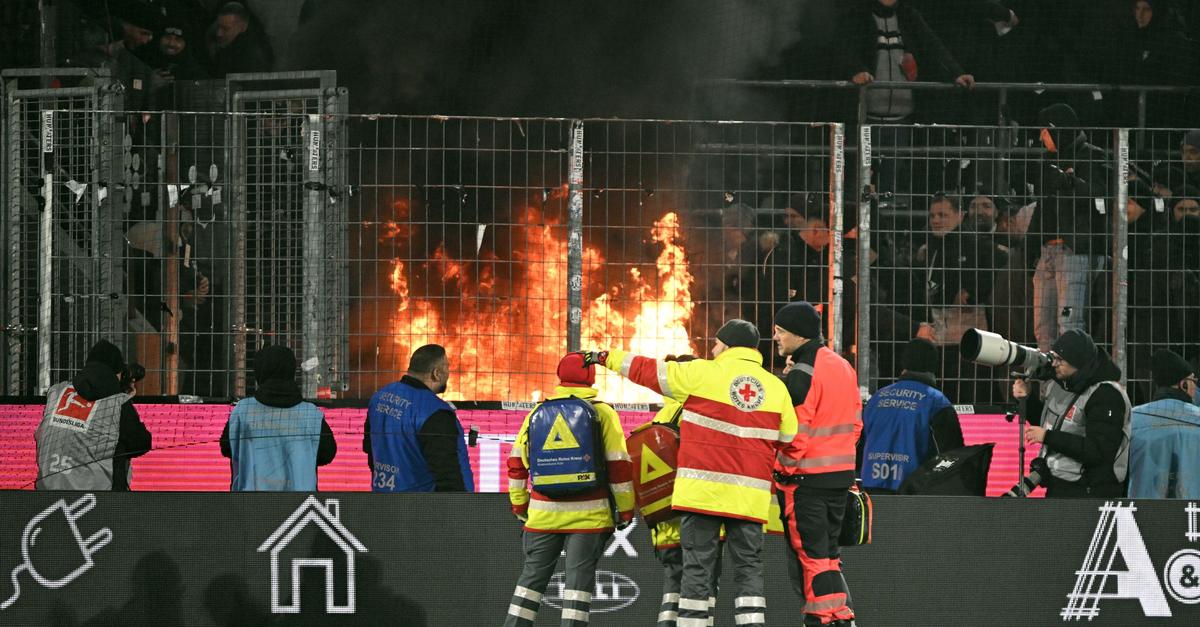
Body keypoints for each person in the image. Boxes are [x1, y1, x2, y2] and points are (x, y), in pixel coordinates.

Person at [586, 319, 798, 627]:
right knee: (749, 569)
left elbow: (647, 370)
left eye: (716, 344)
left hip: (702, 496)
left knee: (697, 568)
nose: (713, 349)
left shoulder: (701, 374)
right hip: (749, 500)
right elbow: (789, 439)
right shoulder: (776, 387)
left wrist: (605, 357)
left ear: (727, 345)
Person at [503, 353, 635, 627]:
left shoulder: (537, 412)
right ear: (591, 378)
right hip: (589, 518)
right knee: (577, 588)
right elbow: (618, 467)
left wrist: (520, 505)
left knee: (529, 584)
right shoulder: (603, 413)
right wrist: (625, 510)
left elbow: (516, 463)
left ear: (560, 377)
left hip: (542, 517)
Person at [771, 302, 860, 627]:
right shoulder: (842, 366)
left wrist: (781, 471)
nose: (775, 337)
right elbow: (856, 425)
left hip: (806, 482)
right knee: (829, 557)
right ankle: (841, 617)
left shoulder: (803, 373)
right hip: (839, 479)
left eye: (780, 331)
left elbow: (795, 434)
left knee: (812, 558)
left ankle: (821, 619)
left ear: (798, 334)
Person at [1011, 330, 1131, 497]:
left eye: (1060, 360)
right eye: (1053, 358)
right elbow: (1049, 424)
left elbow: (1097, 451)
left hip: (1091, 492)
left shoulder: (1107, 395)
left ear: (1078, 361)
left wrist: (1047, 436)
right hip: (1060, 485)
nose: (1054, 364)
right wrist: (1027, 399)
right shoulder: (1062, 384)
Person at [35, 340, 152, 490]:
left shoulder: (56, 391)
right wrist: (126, 400)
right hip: (95, 498)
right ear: (116, 373)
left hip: (45, 491)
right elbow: (141, 443)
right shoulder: (118, 402)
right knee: (120, 444)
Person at [219, 345, 336, 491]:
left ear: (260, 372)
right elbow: (327, 454)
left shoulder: (243, 411)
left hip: (251, 501)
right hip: (299, 501)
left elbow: (226, 448)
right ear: (291, 371)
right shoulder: (310, 414)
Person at [362, 344, 474, 492]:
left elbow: (370, 449)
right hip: (421, 504)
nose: (448, 373)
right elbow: (449, 476)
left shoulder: (379, 397)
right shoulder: (435, 411)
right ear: (436, 373)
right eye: (447, 367)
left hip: (383, 499)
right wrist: (461, 504)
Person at [860, 338, 963, 494]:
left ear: (904, 363)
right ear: (934, 365)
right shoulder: (936, 402)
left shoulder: (876, 399)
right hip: (914, 494)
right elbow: (952, 456)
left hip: (871, 489)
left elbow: (860, 443)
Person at [1127, 350, 1200, 498]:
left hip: (1143, 507)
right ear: (1184, 384)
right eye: (1193, 381)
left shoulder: (1133, 418)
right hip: (1192, 508)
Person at [206, 1, 274, 76]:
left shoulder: (253, 57)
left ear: (243, 27)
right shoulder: (225, 50)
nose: (218, 33)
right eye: (218, 27)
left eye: (225, 29)